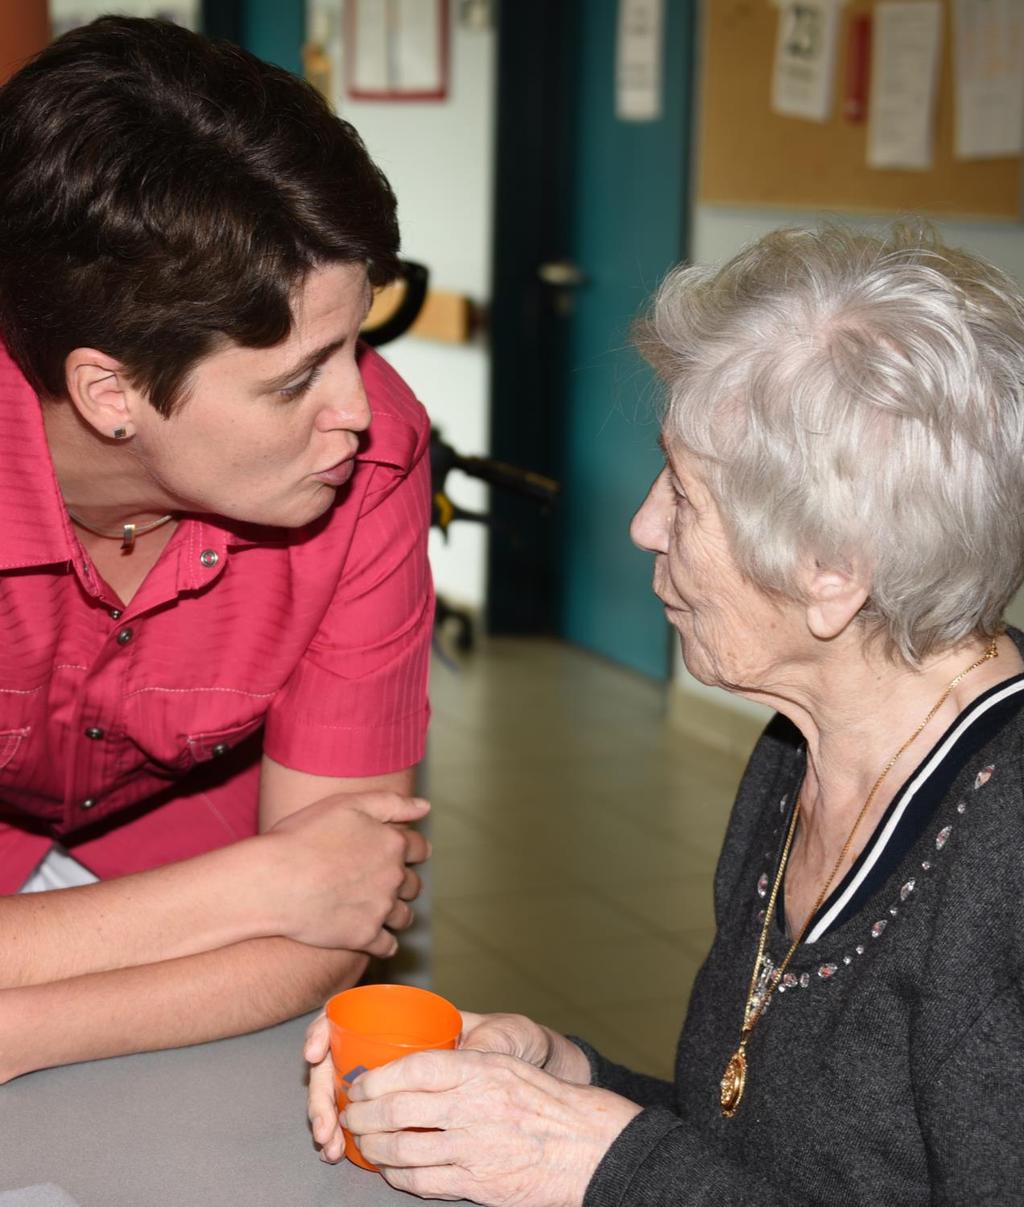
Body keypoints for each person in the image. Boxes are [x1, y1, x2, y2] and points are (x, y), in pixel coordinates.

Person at [306, 224, 1024, 1203]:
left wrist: (604, 1165)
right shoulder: (800, 753)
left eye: (684, 496)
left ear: (831, 575)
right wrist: (561, 1079)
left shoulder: (1003, 865)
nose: (645, 522)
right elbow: (760, 1154)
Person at [0, 17, 434, 1080]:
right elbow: (297, 887)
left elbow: (334, 916)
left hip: (189, 947)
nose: (360, 414)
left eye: (355, 344)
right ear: (112, 392)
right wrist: (253, 888)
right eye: (295, 380)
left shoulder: (367, 466)